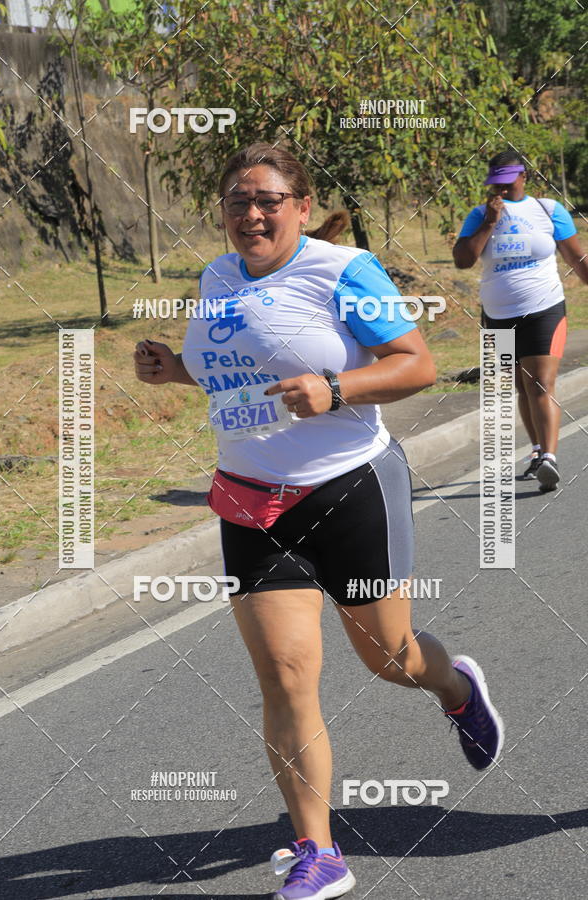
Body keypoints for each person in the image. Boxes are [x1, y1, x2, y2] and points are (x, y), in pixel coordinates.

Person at [135, 142, 504, 900]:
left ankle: (456, 689)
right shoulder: (216, 277)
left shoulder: (343, 271)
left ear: (301, 208)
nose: (251, 214)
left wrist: (338, 389)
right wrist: (175, 368)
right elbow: (238, 372)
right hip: (251, 500)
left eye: (268, 200)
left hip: (349, 488)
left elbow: (417, 363)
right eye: (238, 201)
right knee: (285, 676)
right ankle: (318, 850)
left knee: (390, 657)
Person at [453, 149, 588, 492]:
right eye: (495, 183)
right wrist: (489, 222)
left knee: (540, 383)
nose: (500, 188)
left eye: (507, 181)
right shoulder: (479, 215)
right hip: (497, 315)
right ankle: (538, 451)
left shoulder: (548, 210)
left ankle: (550, 458)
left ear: (523, 177)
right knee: (523, 387)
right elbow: (463, 260)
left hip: (545, 308)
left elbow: (576, 257)